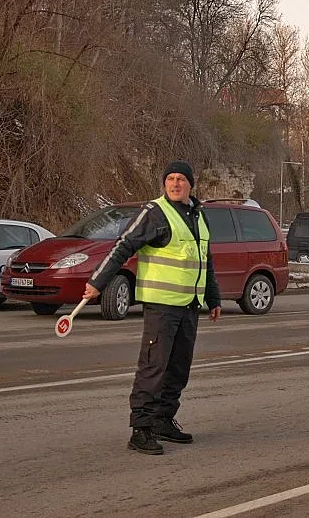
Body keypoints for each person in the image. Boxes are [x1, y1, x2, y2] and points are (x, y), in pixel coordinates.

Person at [84, 160, 222, 455]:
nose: (175, 184)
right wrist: (98, 282)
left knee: (178, 368)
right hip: (161, 307)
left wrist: (214, 298)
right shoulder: (154, 213)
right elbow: (123, 246)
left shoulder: (199, 216)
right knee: (153, 367)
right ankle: (141, 429)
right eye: (170, 179)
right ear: (164, 184)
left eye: (181, 179)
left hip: (188, 307)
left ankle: (162, 420)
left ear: (190, 184)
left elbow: (205, 260)